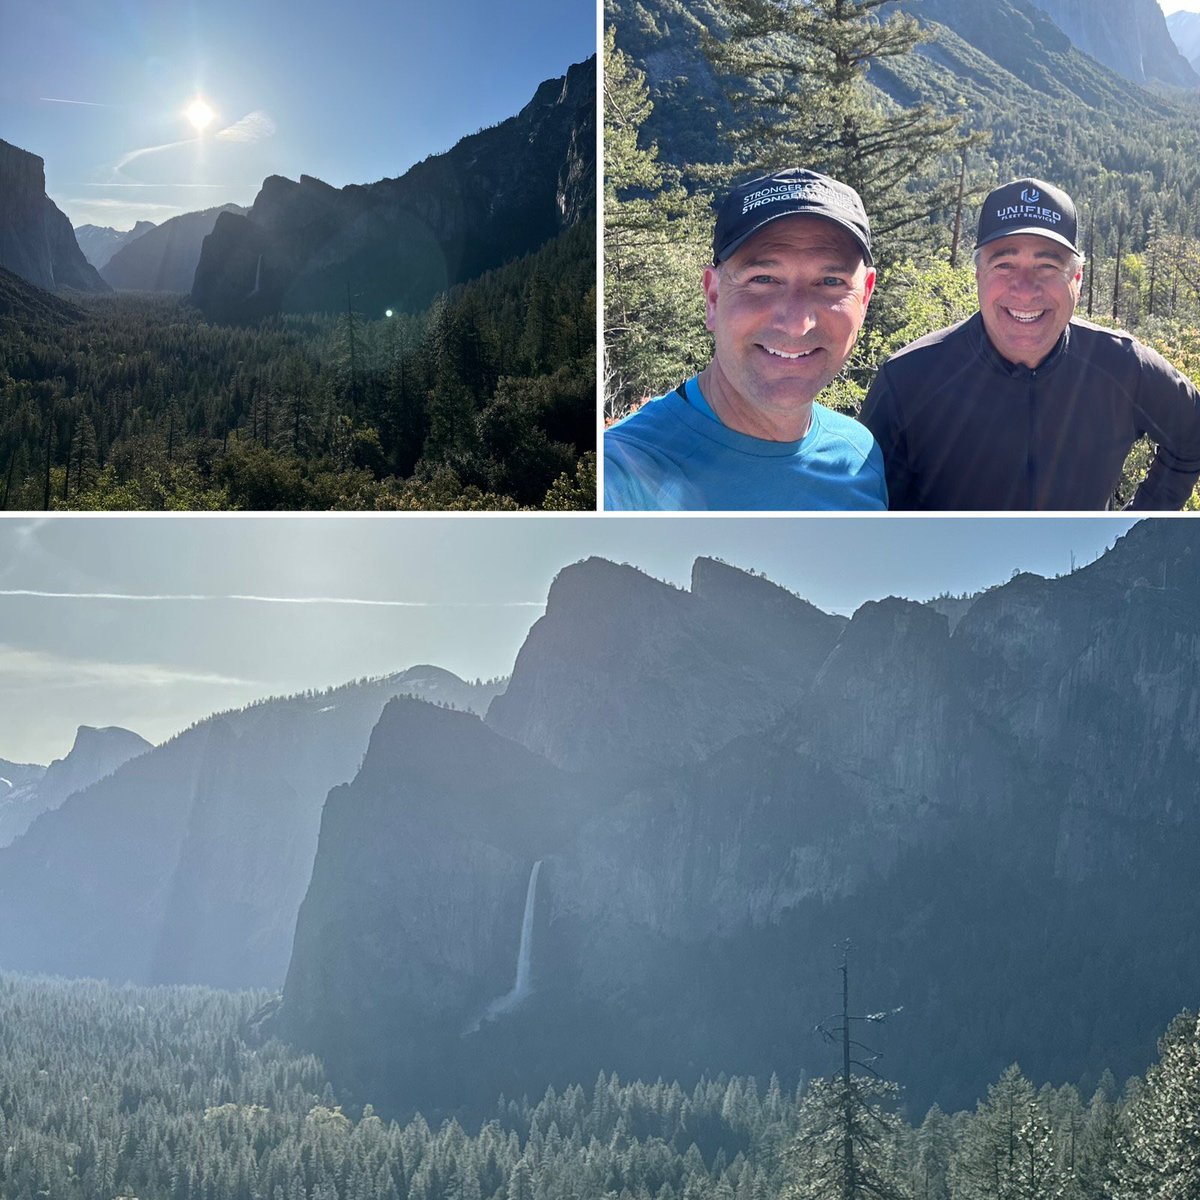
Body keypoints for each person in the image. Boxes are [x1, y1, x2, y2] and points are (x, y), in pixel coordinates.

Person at [860, 177, 1200, 509]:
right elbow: (869, 512)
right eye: (1004, 264)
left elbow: (1192, 433)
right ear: (979, 275)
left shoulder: (1123, 366)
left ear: (1077, 280)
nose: (1024, 289)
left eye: (1048, 265)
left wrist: (1137, 529)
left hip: (1086, 567)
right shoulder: (908, 381)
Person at [604, 168, 887, 510]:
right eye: (764, 278)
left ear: (865, 298)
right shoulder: (621, 475)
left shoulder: (860, 460)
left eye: (830, 282)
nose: (797, 324)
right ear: (713, 297)